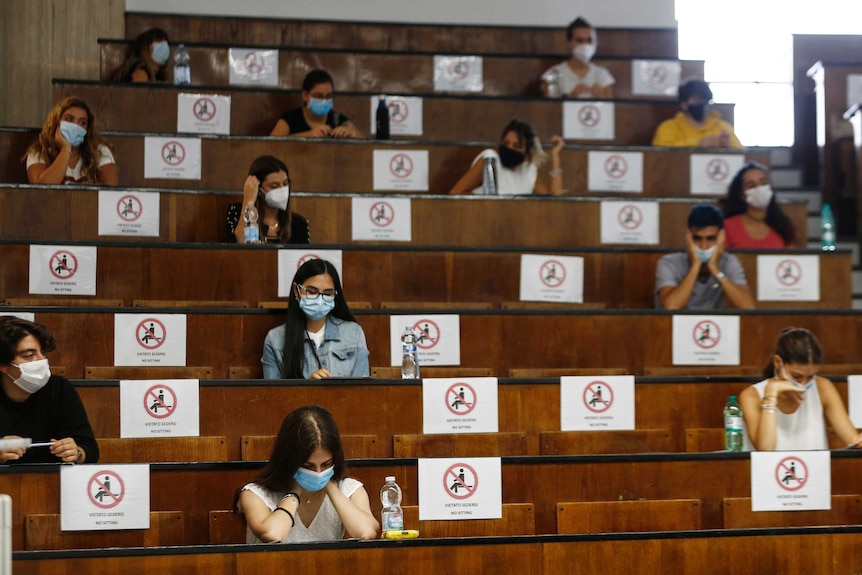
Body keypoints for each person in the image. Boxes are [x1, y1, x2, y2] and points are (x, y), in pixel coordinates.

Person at [235, 405, 379, 543]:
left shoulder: (351, 490)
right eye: (307, 466)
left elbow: (366, 532)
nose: (318, 473)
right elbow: (274, 535)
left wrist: (330, 486)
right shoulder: (255, 494)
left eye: (326, 464)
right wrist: (294, 491)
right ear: (289, 460)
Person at [739, 328, 862, 451]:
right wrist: (771, 392)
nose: (803, 384)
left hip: (816, 469)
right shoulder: (751, 396)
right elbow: (766, 449)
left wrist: (859, 441)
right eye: (796, 376)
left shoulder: (823, 387)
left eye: (810, 377)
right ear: (777, 362)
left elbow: (853, 441)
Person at [0, 316, 99, 465]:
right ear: (3, 365)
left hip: (53, 483)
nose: (41, 361)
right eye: (29, 355)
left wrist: (76, 453)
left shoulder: (59, 389)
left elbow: (90, 450)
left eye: (42, 353)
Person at [262, 259, 370, 379]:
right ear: (296, 291)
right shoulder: (275, 339)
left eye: (328, 293)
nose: (320, 299)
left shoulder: (353, 333)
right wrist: (309, 390)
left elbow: (363, 391)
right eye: (312, 292)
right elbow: (273, 395)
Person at [655, 204, 755, 310]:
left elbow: (748, 307)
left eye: (711, 238)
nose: (703, 246)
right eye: (697, 239)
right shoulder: (669, 263)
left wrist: (715, 269)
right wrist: (695, 265)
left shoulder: (729, 261)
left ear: (721, 237)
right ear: (688, 237)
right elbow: (671, 307)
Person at [448, 120, 565, 196]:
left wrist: (555, 156)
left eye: (517, 146)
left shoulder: (527, 170)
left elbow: (554, 200)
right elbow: (455, 193)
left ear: (527, 154)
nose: (509, 148)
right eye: (506, 143)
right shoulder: (490, 159)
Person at [24, 97, 119, 185]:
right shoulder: (39, 151)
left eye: (82, 122)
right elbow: (42, 190)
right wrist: (65, 150)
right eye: (69, 119)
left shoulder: (100, 151)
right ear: (57, 122)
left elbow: (110, 192)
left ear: (87, 128)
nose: (75, 126)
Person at [227, 155, 310, 243]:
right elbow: (241, 242)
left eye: (285, 184)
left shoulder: (299, 223)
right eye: (274, 186)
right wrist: (248, 201)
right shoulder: (237, 212)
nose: (282, 190)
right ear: (258, 188)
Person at [722, 162, 796, 248]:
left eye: (763, 183)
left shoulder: (784, 225)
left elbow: (791, 257)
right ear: (741, 194)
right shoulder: (728, 226)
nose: (759, 189)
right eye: (751, 185)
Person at [269, 70, 361, 138]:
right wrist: (307, 135)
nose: (324, 100)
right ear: (305, 95)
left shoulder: (338, 119)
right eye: (318, 96)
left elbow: (365, 144)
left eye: (328, 96)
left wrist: (350, 135)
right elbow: (272, 143)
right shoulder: (291, 118)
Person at [651, 79, 742, 148]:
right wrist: (699, 144)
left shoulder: (723, 128)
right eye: (697, 100)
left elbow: (742, 154)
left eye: (706, 100)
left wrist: (726, 148)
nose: (702, 104)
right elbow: (662, 154)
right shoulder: (669, 128)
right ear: (684, 105)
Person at [540, 17, 614, 99]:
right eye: (580, 40)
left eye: (590, 40)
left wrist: (601, 96)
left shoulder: (602, 75)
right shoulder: (554, 74)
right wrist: (571, 97)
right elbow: (549, 108)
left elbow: (611, 108)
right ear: (569, 43)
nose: (585, 45)